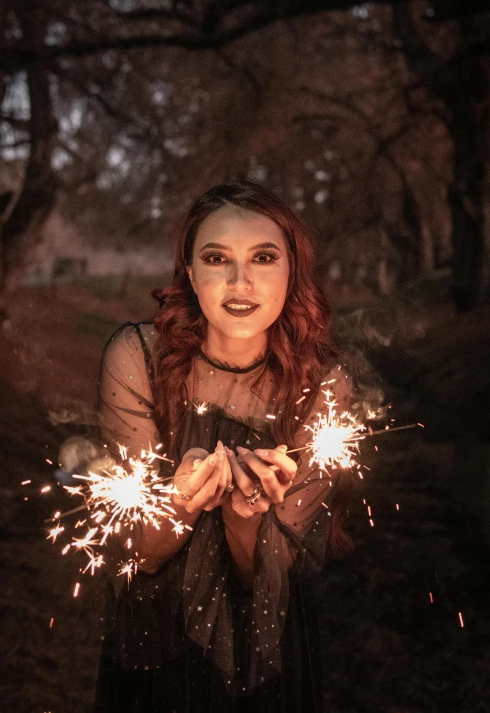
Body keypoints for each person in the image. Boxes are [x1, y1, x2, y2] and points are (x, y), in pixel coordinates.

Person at [94, 181, 353, 712]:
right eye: (217, 258)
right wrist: (183, 502)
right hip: (156, 644)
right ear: (190, 273)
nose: (240, 281)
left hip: (267, 658)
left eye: (263, 257)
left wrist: (244, 519)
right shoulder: (138, 359)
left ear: (291, 271)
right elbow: (137, 552)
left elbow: (269, 575)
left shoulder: (324, 387)